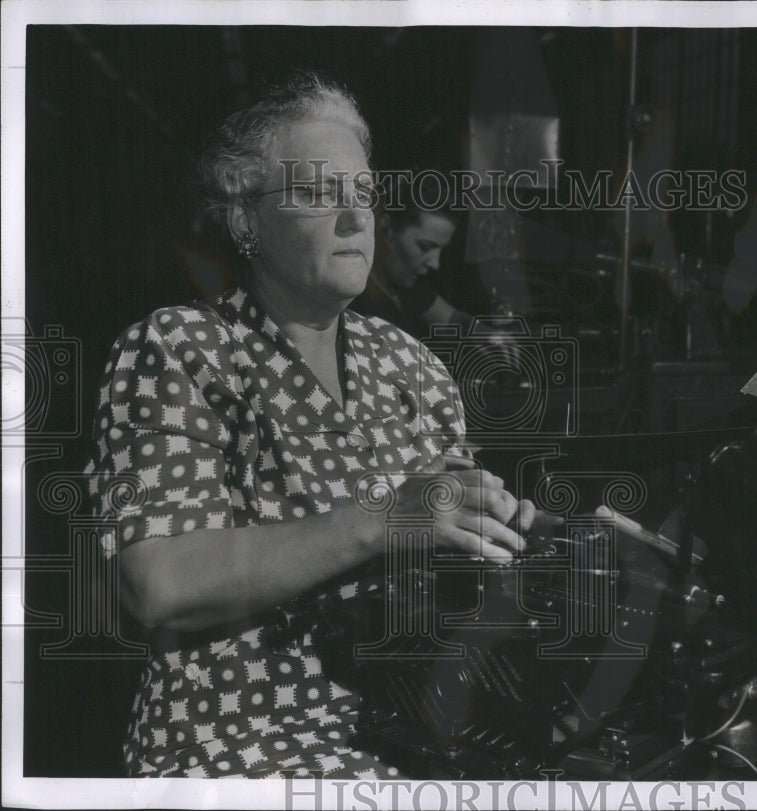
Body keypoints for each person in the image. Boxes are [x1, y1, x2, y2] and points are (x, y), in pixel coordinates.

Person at [84, 71, 544, 778]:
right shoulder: (179, 349)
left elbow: (450, 562)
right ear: (245, 220)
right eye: (321, 194)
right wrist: (378, 520)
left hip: (414, 724)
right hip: (240, 735)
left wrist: (512, 532)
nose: (356, 218)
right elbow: (155, 580)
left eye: (362, 195)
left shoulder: (410, 363)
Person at [351, 177, 475, 339]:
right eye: (425, 247)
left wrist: (484, 332)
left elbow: (453, 319)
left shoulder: (403, 282)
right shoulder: (356, 299)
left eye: (440, 249)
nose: (435, 264)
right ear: (386, 227)